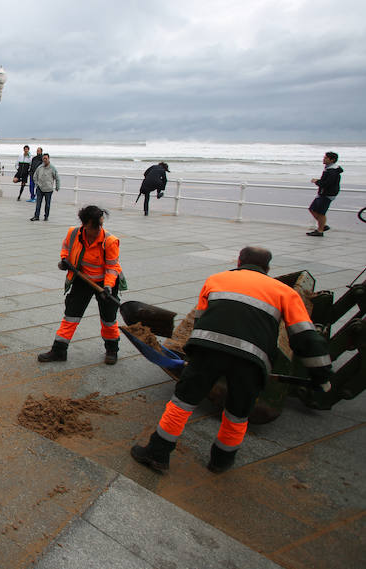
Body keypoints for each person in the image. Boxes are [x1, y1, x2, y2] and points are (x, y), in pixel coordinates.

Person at [130, 246, 332, 474]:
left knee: (182, 403)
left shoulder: (217, 279)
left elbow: (198, 321)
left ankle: (157, 454)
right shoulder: (285, 292)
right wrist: (321, 377)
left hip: (208, 351)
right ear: (267, 268)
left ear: (239, 261)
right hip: (252, 361)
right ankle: (221, 461)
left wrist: (195, 357)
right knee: (238, 413)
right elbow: (306, 338)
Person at [38, 205, 121, 365]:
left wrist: (108, 287)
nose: (97, 230)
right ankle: (59, 351)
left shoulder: (110, 241)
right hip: (83, 280)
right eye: (94, 226)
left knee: (108, 319)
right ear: (84, 224)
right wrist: (64, 261)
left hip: (106, 283)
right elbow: (66, 248)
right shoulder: (74, 233)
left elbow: (112, 267)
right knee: (71, 315)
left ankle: (112, 350)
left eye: (100, 226)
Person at [307, 151, 343, 236]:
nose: (324, 159)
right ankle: (322, 225)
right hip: (323, 193)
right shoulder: (328, 169)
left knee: (321, 212)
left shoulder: (333, 171)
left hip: (328, 194)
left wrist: (317, 181)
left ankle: (320, 230)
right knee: (312, 209)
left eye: (326, 158)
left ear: (332, 160)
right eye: (324, 157)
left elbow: (326, 183)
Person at [30, 153, 60, 222]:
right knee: (38, 203)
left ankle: (46, 216)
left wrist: (57, 186)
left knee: (47, 204)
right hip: (40, 188)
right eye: (44, 158)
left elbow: (57, 178)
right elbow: (35, 176)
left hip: (48, 189)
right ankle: (36, 216)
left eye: (46, 158)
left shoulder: (52, 168)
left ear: (48, 159)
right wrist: (37, 184)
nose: (45, 160)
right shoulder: (40, 167)